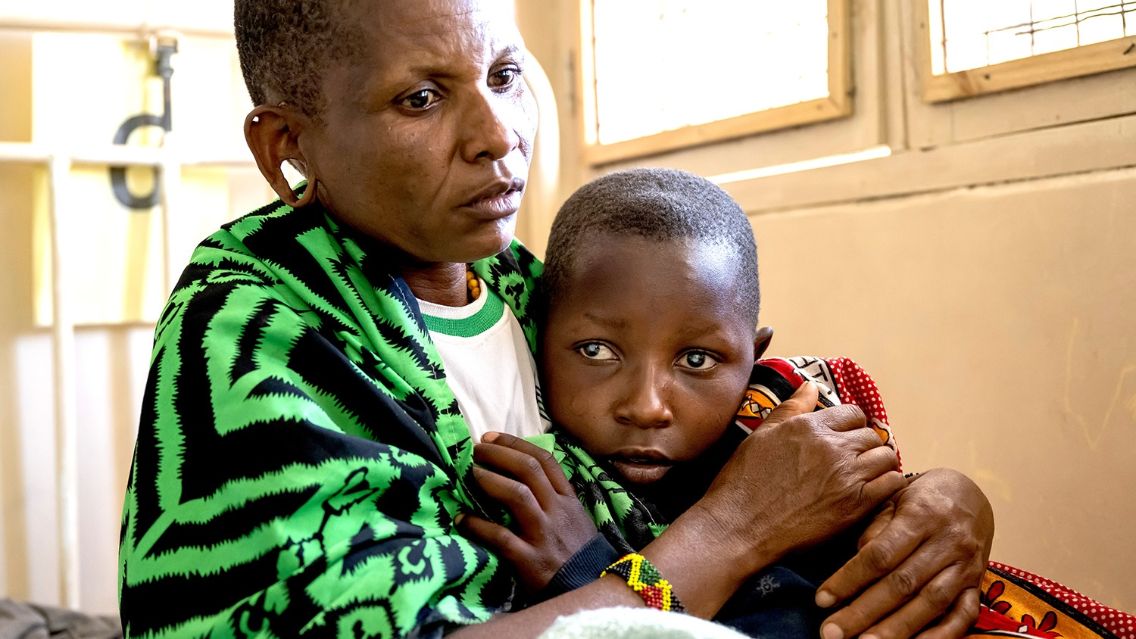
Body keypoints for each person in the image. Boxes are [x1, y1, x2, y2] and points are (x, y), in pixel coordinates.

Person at [118, 1, 997, 637]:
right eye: (421, 98)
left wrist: (943, 504)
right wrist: (731, 534)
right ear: (288, 145)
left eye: (505, 76)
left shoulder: (515, 285)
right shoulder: (252, 339)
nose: (497, 134)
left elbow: (750, 420)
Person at [458, 168, 983, 638]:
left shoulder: (787, 431)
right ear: (537, 338)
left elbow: (879, 553)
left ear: (753, 357)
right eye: (597, 351)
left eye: (697, 361)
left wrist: (960, 495)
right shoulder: (544, 488)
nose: (646, 407)